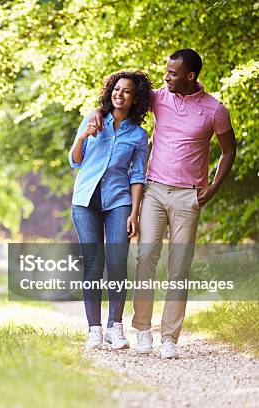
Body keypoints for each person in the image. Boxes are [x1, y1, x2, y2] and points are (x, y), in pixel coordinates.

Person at [90, 49, 236, 358]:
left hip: (188, 196)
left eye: (172, 73)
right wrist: (96, 113)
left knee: (179, 268)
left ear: (190, 76)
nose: (166, 76)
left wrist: (212, 188)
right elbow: (122, 96)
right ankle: (143, 330)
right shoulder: (158, 97)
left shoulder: (214, 110)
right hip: (154, 190)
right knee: (145, 260)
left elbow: (228, 151)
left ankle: (169, 338)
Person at [68, 71, 151, 351]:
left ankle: (116, 328)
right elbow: (75, 161)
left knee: (117, 263)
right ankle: (94, 330)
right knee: (93, 264)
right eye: (117, 89)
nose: (120, 94)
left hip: (119, 201)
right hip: (85, 200)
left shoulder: (139, 136)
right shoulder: (94, 119)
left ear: (135, 98)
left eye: (127, 91)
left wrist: (135, 212)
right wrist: (83, 137)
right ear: (110, 92)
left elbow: (138, 175)